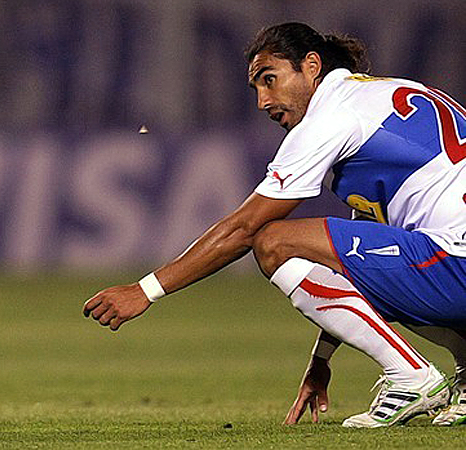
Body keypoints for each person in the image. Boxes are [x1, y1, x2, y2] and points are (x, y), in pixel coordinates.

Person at [82, 22, 466, 428]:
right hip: (450, 261)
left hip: (455, 266)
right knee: (384, 254)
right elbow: (353, 272)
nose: (264, 101)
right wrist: (321, 360)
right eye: (257, 89)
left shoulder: (330, 115)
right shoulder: (383, 94)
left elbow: (244, 228)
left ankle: (412, 377)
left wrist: (146, 290)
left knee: (273, 241)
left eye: (271, 80)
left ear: (311, 65)